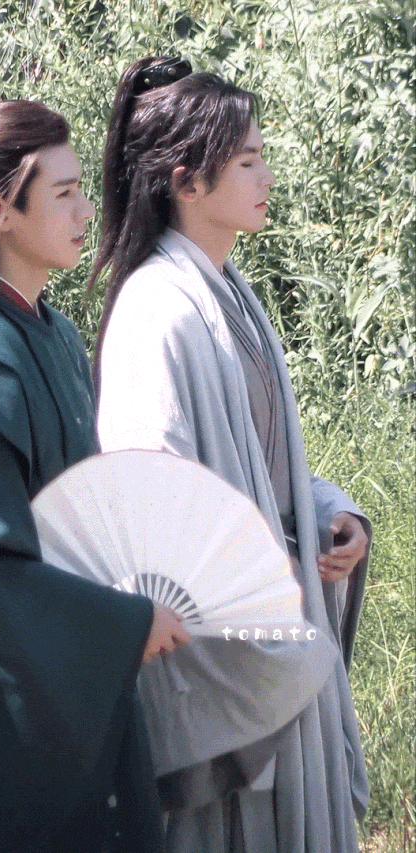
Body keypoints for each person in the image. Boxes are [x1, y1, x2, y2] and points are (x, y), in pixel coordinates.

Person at [92, 57, 372, 853]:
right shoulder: (157, 311)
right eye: (248, 161)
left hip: (279, 618)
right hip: (229, 649)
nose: (266, 176)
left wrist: (331, 514)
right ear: (187, 181)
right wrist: (257, 588)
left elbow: (265, 463)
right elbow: (151, 506)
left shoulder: (231, 294)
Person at [0, 98, 190, 853]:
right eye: (65, 193)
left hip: (77, 686)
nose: (87, 211)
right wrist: (126, 623)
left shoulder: (55, 334)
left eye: (84, 188)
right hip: (6, 717)